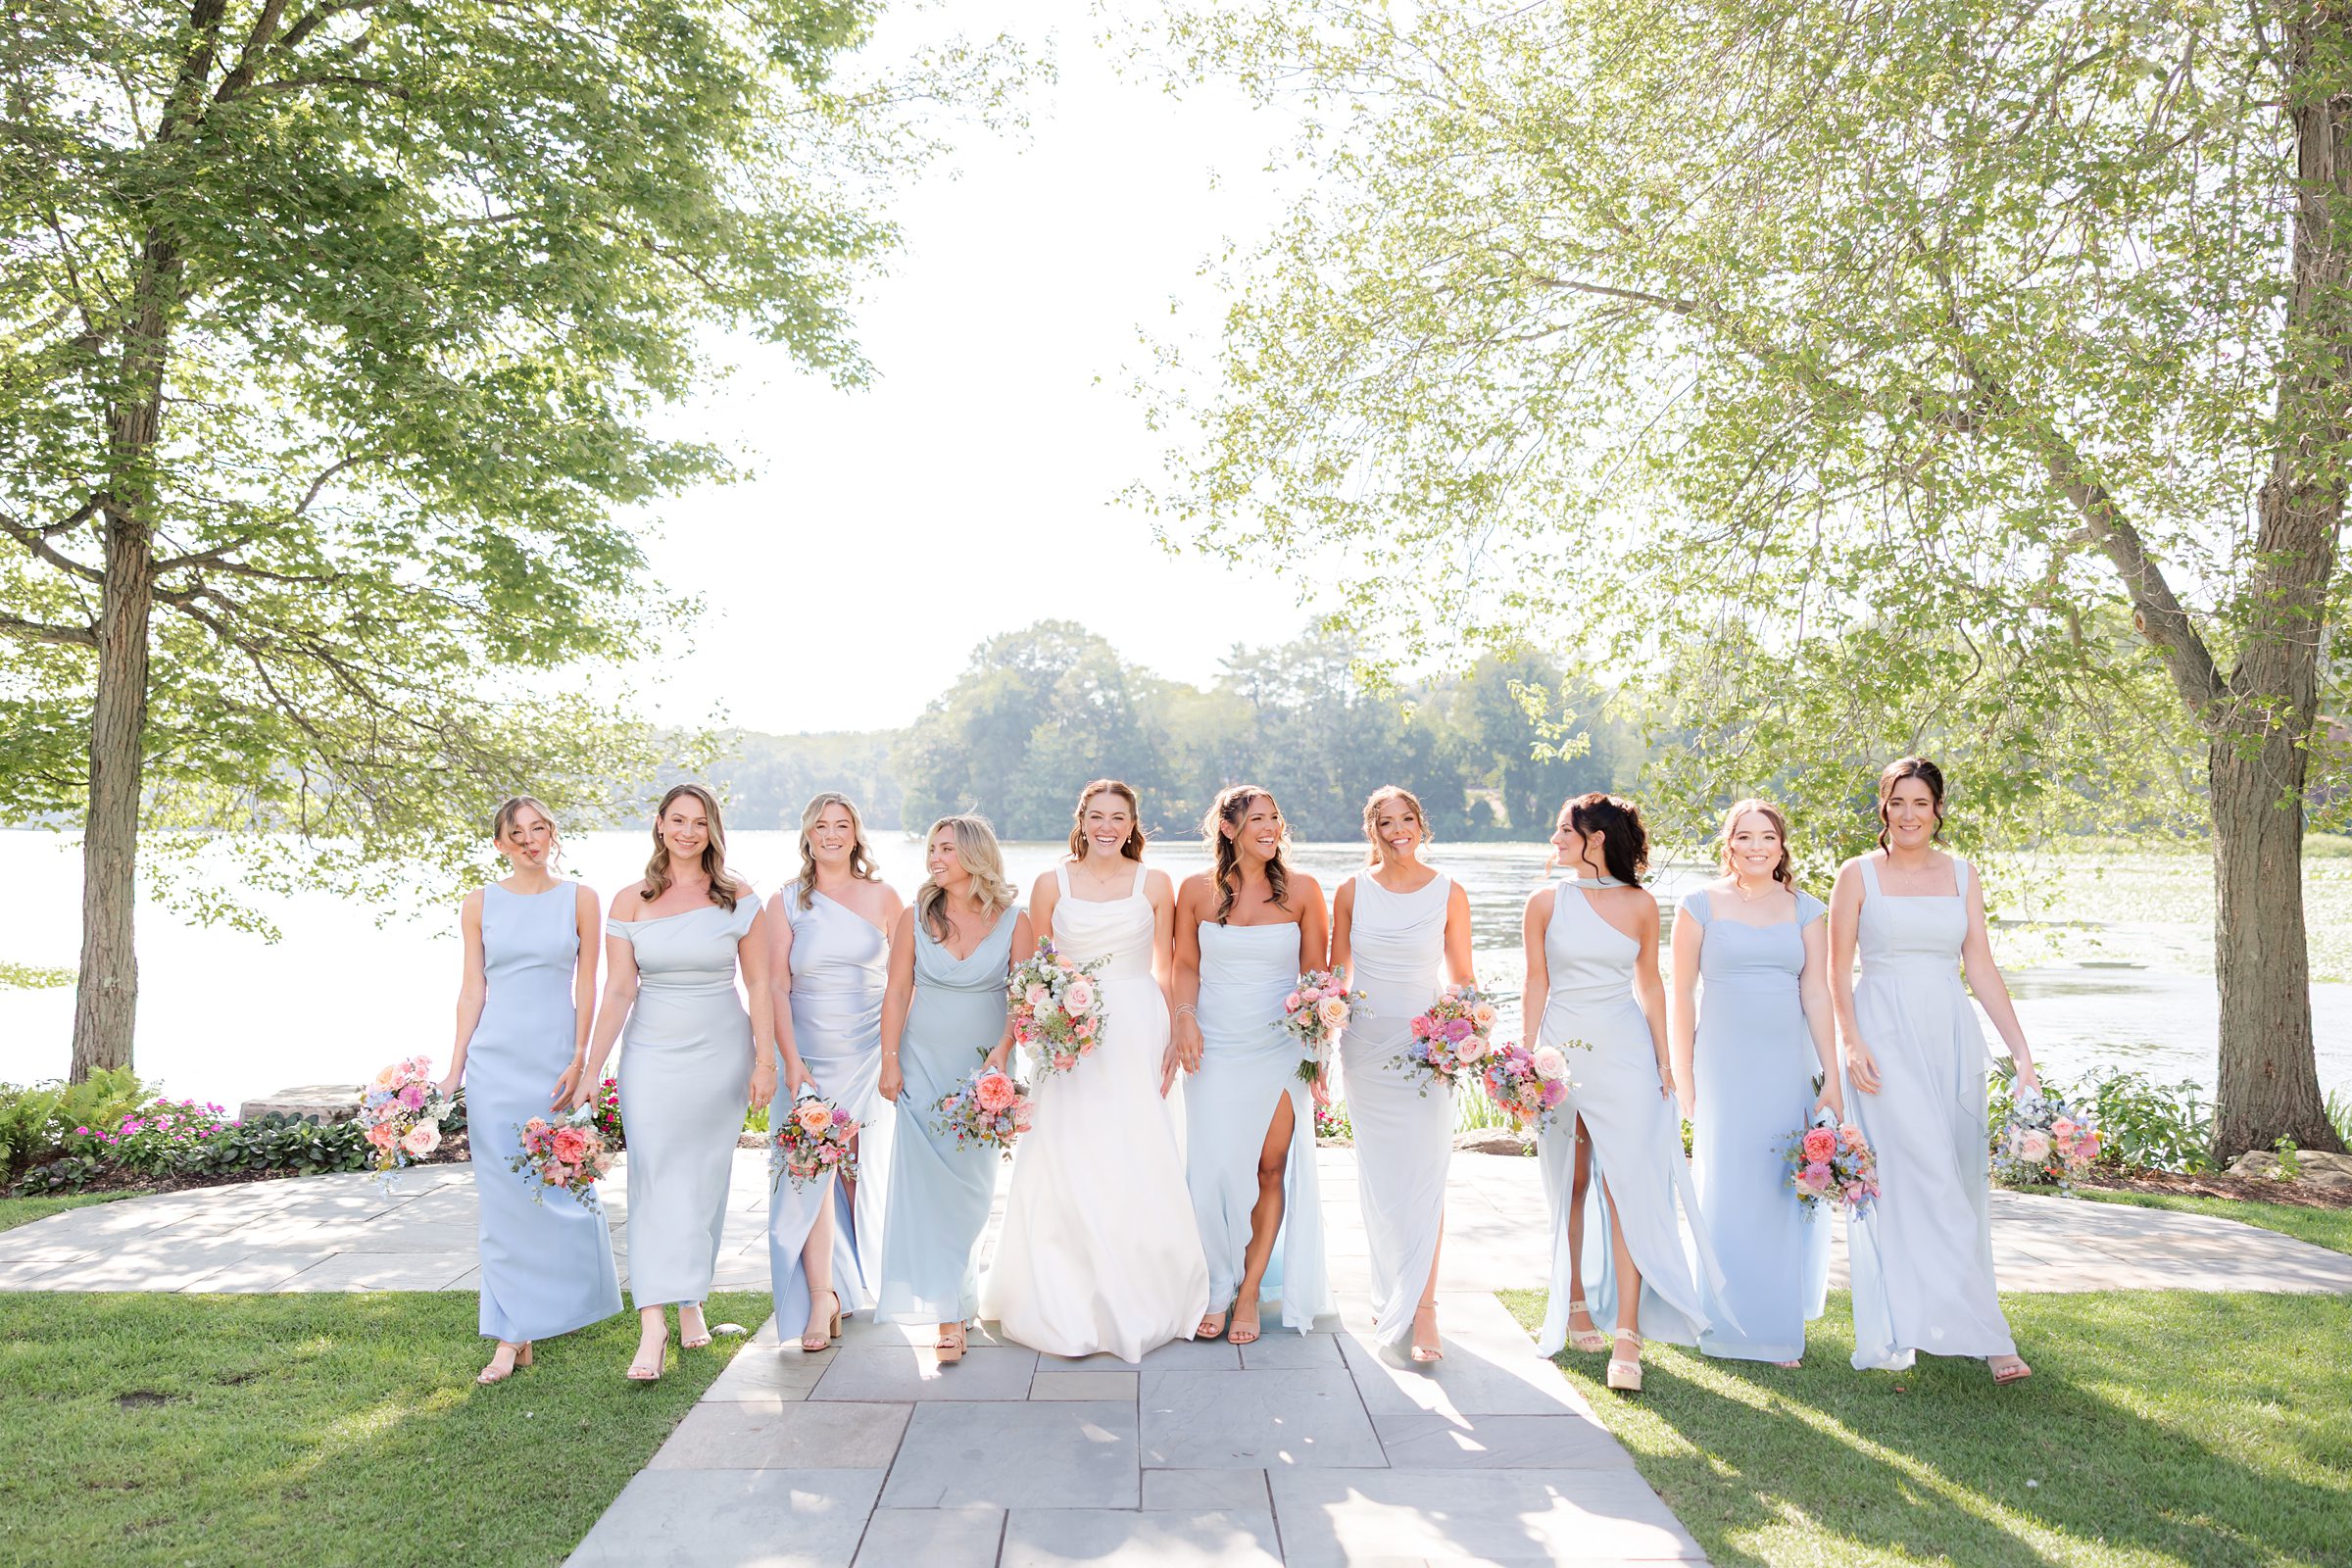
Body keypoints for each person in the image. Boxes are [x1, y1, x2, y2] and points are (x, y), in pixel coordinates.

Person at [983, 780, 1211, 1359]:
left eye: (1119, 817)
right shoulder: (1049, 884)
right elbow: (1035, 971)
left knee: (1136, 1151)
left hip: (1136, 1025)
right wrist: (1042, 1027)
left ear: (1134, 824)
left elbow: (1167, 967)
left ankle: (1141, 1291)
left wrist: (1171, 1032)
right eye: (1097, 816)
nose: (1107, 826)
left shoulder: (1155, 883)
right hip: (1068, 1035)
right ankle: (1063, 1294)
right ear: (1081, 820)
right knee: (1066, 1152)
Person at [1830, 758, 2036, 1383]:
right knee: (1920, 1178)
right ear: (1884, 808)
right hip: (1883, 1037)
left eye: (1921, 802)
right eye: (1897, 802)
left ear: (1938, 809)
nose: (1909, 814)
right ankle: (1992, 1338)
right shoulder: (1857, 874)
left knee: (1954, 1178)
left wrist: (2021, 1052)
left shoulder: (1963, 874)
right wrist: (1851, 1042)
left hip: (1949, 1035)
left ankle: (1943, 1318)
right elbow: (1837, 971)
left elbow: (1981, 966)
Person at [1526, 792, 1725, 1392]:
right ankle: (1576, 1302)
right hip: (1560, 1047)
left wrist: (1667, 1062)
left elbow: (1652, 986)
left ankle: (1628, 1334)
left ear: (1598, 838)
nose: (1556, 839)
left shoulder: (1642, 904)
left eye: (1567, 830)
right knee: (1570, 1179)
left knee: (1628, 1187)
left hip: (1626, 1051)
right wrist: (1525, 1057)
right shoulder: (1543, 902)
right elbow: (1536, 981)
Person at [578, 783, 776, 1382]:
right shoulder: (629, 900)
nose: (688, 831)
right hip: (651, 1054)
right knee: (655, 1177)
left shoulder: (739, 897)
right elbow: (618, 991)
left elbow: (761, 986)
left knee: (702, 1181)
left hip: (721, 1050)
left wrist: (765, 1060)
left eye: (700, 822)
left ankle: (692, 1303)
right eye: (678, 820)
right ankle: (654, 1324)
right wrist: (592, 1070)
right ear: (660, 825)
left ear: (713, 830)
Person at [439, 796, 620, 1384]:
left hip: (553, 1064)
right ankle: (510, 1332)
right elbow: (472, 990)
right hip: (494, 1064)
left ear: (553, 836)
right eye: (515, 833)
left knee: (563, 1189)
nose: (528, 840)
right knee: (501, 1202)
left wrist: (582, 1058)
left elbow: (588, 986)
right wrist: (454, 1067)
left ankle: (553, 1308)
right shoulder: (479, 903)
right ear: (499, 844)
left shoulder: (581, 899)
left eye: (538, 829)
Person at [1669, 798, 1838, 1365]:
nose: (1757, 847)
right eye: (1745, 837)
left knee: (1777, 1184)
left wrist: (1830, 1075)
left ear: (1782, 845)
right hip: (1721, 1062)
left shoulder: (1808, 910)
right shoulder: (1698, 906)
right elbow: (1680, 995)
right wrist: (1684, 1074)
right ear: (1729, 844)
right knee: (1727, 1182)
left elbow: (1817, 993)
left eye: (1767, 837)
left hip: (1785, 1064)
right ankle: (1722, 1318)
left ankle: (1774, 1324)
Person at [1174, 785, 1336, 1343]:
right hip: (1214, 1045)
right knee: (1214, 1173)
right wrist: (1184, 1017)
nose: (1271, 828)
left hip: (1281, 1048)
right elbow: (1184, 965)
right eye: (1257, 819)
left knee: (1270, 1168)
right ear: (1228, 828)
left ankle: (1247, 1292)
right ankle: (1216, 1285)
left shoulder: (1304, 891)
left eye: (1275, 818)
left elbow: (1318, 979)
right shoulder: (1195, 891)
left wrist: (1319, 1055)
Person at [874, 814, 1030, 1364]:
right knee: (928, 1193)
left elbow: (1023, 1000)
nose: (934, 857)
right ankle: (949, 1314)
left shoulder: (1016, 920)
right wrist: (890, 1061)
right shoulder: (914, 917)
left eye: (945, 848)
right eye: (931, 848)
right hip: (920, 1065)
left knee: (971, 1193)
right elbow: (896, 993)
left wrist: (1004, 1052)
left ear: (976, 855)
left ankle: (958, 1297)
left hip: (982, 1077)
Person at [1330, 785, 1474, 1363]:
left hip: (1425, 1051)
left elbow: (1462, 977)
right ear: (1372, 830)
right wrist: (1320, 1030)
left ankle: (1425, 1310)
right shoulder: (1349, 891)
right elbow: (1336, 975)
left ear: (1422, 824)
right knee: (1381, 1178)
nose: (1397, 830)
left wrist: (1460, 1031)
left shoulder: (1449, 891)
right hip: (1364, 1048)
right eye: (1385, 822)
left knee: (1424, 1176)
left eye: (1406, 818)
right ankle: (1390, 1289)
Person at [766, 792, 903, 1352]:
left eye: (841, 825)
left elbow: (905, 981)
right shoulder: (786, 902)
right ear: (807, 834)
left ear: (855, 834)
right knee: (810, 1167)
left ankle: (850, 1285)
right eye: (820, 826)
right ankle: (821, 1293)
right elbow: (775, 984)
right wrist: (790, 1061)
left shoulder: (885, 896)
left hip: (870, 1048)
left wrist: (897, 1053)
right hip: (809, 1054)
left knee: (857, 1171)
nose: (831, 834)